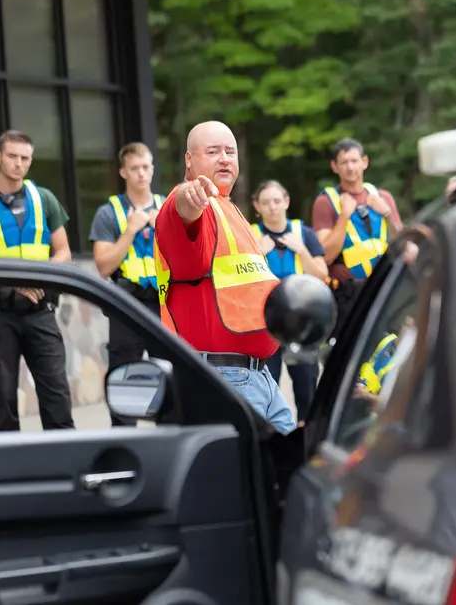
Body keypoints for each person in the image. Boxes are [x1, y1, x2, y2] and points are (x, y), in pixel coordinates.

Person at [154, 121, 295, 434]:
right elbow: (182, 212)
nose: (224, 158)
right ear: (189, 159)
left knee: (287, 468)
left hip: (257, 378)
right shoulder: (193, 203)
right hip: (223, 375)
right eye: (213, 151)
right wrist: (187, 197)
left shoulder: (227, 208)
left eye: (230, 151)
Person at [0, 129, 75, 432]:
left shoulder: (44, 198)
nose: (19, 164)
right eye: (12, 156)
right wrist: (15, 283)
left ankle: (66, 463)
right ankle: (11, 468)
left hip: (40, 311)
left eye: (25, 158)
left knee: (56, 392)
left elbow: (64, 253)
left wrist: (39, 279)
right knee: (4, 398)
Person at [89, 142, 165, 427]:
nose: (142, 174)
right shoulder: (109, 212)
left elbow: (191, 258)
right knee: (124, 377)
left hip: (165, 303)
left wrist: (165, 230)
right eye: (135, 168)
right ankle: (124, 437)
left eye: (146, 167)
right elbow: (104, 265)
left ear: (153, 168)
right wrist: (131, 230)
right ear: (123, 171)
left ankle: (170, 437)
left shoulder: (169, 208)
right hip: (127, 305)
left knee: (172, 373)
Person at [250, 179, 328, 420]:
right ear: (257, 206)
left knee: (306, 386)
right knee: (266, 387)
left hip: (300, 324)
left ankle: (305, 438)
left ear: (286, 201)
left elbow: (321, 273)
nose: (272, 207)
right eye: (266, 202)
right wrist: (257, 253)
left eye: (276, 201)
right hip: (265, 323)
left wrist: (301, 250)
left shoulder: (303, 234)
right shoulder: (249, 236)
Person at [311, 138, 403, 332]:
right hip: (349, 293)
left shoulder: (383, 197)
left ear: (365, 162)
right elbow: (325, 256)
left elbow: (401, 244)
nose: (350, 167)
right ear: (334, 167)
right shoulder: (325, 202)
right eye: (344, 162)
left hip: (384, 286)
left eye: (354, 161)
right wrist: (344, 214)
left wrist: (386, 214)